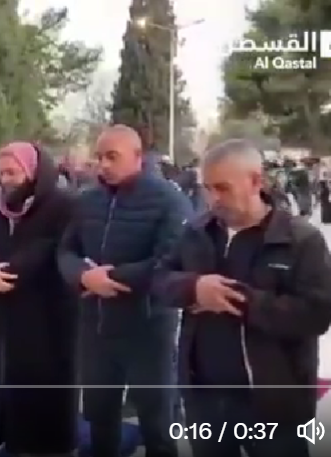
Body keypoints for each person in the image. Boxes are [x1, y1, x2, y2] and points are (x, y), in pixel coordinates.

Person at [153, 139, 331, 457]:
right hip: (205, 399)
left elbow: (316, 313)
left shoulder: (301, 240)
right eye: (206, 188)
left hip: (274, 405)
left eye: (222, 188)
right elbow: (159, 279)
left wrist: (244, 301)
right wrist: (193, 287)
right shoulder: (196, 232)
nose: (212, 199)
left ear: (256, 181)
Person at [58, 125, 190, 457]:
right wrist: (84, 277)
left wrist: (111, 277)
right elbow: (65, 251)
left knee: (155, 420)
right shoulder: (87, 200)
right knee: (99, 414)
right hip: (95, 328)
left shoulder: (168, 199)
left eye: (111, 157)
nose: (102, 164)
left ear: (137, 156)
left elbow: (171, 259)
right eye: (99, 157)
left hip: (147, 328)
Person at [0, 142, 79, 457]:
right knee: (13, 383)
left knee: (50, 387)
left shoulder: (63, 204)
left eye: (12, 172)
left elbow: (55, 248)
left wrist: (10, 271)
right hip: (7, 313)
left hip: (50, 316)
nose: (5, 179)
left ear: (32, 172)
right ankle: (17, 444)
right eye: (0, 173)